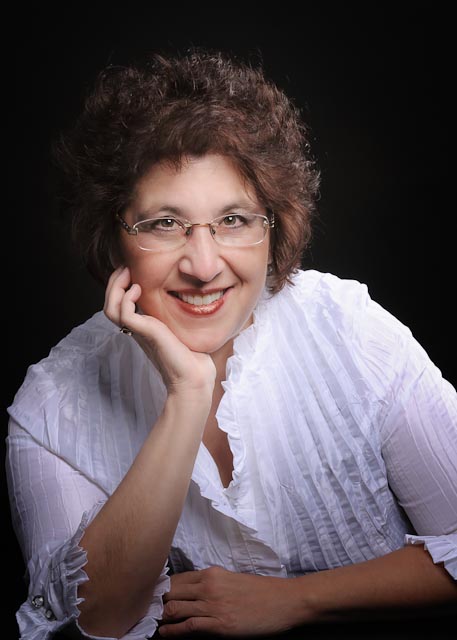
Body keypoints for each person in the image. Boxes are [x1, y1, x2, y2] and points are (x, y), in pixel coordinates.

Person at [5, 48, 457, 640]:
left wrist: (298, 600)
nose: (203, 264)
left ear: (274, 227)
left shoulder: (353, 332)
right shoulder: (51, 407)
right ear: (112, 238)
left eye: (234, 220)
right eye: (164, 223)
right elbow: (91, 624)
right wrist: (187, 395)